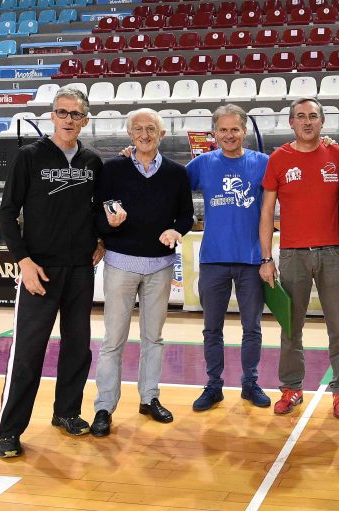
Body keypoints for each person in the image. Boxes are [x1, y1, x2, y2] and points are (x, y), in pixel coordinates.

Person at [0, 86, 104, 458]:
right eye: (62, 112)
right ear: (52, 116)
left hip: (80, 270)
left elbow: (98, 210)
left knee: (77, 348)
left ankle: (67, 412)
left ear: (85, 119)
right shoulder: (29, 156)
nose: (68, 120)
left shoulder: (92, 161)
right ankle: (10, 430)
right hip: (38, 270)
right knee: (28, 353)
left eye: (75, 114)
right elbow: (7, 213)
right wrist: (24, 262)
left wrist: (101, 240)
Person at [90, 108, 194, 437]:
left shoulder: (177, 173)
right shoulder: (113, 168)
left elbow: (186, 215)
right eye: (138, 129)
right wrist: (108, 223)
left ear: (162, 134)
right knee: (113, 340)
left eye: (151, 129)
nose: (144, 134)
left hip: (160, 267)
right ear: (130, 134)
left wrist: (176, 230)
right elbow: (98, 211)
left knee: (153, 338)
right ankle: (104, 407)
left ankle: (149, 398)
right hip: (120, 264)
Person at [259, 97, 339, 419]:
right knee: (291, 327)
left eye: (313, 116)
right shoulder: (279, 159)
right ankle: (291, 388)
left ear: (322, 121)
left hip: (332, 252)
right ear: (291, 122)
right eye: (300, 116)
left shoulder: (338, 155)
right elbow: (267, 212)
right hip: (292, 255)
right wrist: (266, 258)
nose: (307, 121)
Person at [186, 104, 272, 412]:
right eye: (222, 129)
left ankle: (250, 383)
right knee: (212, 329)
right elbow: (167, 184)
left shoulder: (262, 162)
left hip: (252, 260)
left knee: (252, 328)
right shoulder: (202, 164)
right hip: (213, 260)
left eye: (234, 129)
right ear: (214, 133)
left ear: (244, 131)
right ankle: (214, 385)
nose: (229, 135)